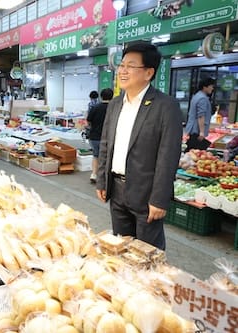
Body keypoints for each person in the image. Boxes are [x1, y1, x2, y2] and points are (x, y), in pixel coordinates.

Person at [96, 42, 183, 250]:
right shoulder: (116, 104)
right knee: (121, 249)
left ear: (148, 72)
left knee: (147, 253)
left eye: (130, 66)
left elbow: (168, 156)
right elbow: (106, 145)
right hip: (116, 189)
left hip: (146, 194)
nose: (123, 71)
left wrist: (160, 199)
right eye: (122, 65)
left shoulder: (165, 106)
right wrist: (102, 180)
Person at [87, 88, 114, 183]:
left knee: (96, 155)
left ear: (101, 96)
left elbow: (89, 121)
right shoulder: (114, 108)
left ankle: (94, 174)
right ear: (112, 96)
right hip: (109, 137)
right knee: (108, 157)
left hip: (94, 137)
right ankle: (105, 176)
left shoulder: (95, 107)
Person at [184, 77, 216, 151]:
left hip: (192, 128)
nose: (212, 88)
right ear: (205, 87)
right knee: (195, 150)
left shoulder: (196, 96)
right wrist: (202, 132)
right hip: (196, 130)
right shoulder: (202, 98)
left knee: (192, 150)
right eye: (211, 86)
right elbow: (201, 116)